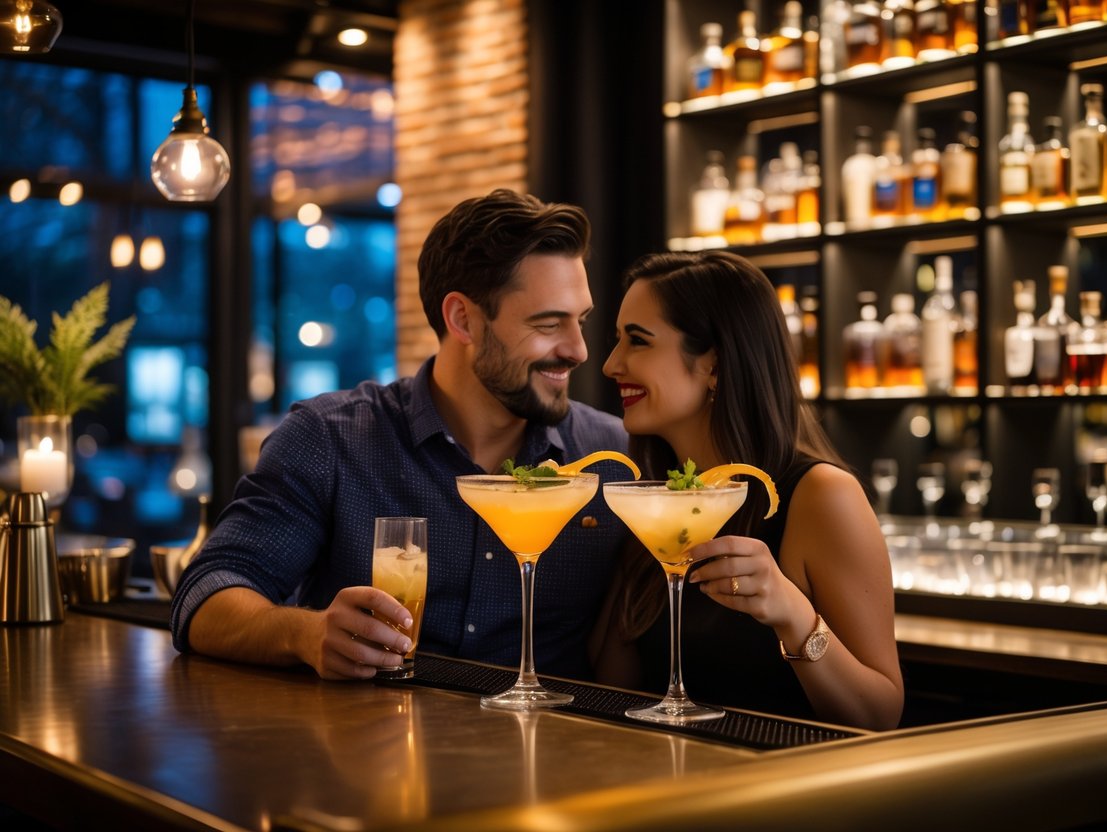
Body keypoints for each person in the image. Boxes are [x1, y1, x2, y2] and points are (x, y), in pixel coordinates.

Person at [171, 189, 631, 682]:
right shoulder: (330, 440)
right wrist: (303, 634)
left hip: (561, 750)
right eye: (547, 324)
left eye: (580, 321)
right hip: (369, 748)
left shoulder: (612, 458)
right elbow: (205, 596)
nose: (579, 350)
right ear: (463, 319)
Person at [590, 250, 904, 730]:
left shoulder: (822, 495)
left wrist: (792, 612)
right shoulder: (655, 496)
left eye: (638, 341)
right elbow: (616, 687)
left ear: (714, 363)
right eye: (617, 340)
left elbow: (880, 714)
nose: (611, 364)